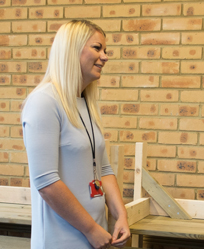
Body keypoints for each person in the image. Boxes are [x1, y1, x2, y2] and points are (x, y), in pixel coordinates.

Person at [22, 20, 130, 249]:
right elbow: (46, 182)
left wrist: (121, 215)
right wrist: (91, 229)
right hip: (61, 240)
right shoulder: (44, 101)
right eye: (97, 48)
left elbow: (104, 169)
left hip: (94, 237)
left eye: (105, 50)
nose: (105, 56)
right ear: (72, 49)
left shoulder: (86, 102)